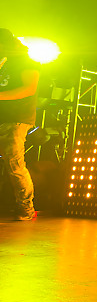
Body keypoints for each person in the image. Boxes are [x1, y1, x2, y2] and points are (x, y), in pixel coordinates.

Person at [0, 29, 40, 221]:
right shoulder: (5, 62)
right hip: (3, 117)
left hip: (16, 119)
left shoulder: (26, 61)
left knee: (14, 164)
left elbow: (29, 88)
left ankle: (26, 208)